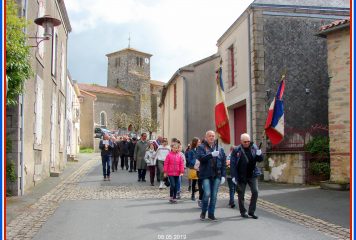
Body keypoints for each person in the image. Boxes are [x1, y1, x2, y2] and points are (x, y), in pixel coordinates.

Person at [230, 133, 263, 219]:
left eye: (248, 141)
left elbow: (260, 159)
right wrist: (233, 176)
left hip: (252, 174)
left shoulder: (254, 147)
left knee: (255, 192)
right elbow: (233, 164)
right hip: (241, 175)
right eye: (245, 142)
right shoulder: (236, 150)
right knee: (241, 194)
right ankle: (243, 211)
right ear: (241, 141)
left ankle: (251, 212)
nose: (247, 143)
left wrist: (259, 154)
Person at [196, 130, 226, 221]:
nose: (212, 137)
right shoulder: (201, 147)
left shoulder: (220, 148)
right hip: (206, 174)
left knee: (214, 195)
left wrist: (223, 175)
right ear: (206, 137)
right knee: (207, 193)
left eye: (213, 136)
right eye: (210, 136)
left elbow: (224, 162)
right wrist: (211, 155)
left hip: (217, 174)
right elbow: (201, 158)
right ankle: (203, 212)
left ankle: (211, 214)